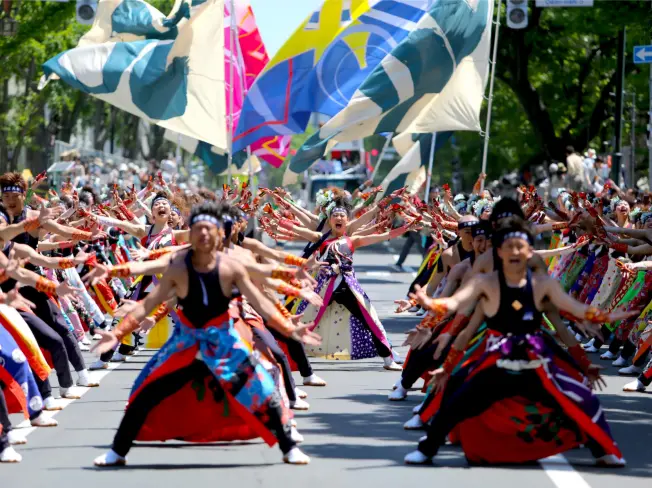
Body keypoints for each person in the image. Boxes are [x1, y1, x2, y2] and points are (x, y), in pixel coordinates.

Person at [91, 202, 320, 467]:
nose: (204, 235)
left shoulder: (230, 266)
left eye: (209, 229)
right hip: (186, 342)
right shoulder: (179, 265)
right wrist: (117, 332)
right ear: (190, 234)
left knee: (264, 391)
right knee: (145, 392)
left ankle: (289, 447)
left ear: (219, 234)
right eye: (198, 229)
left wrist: (290, 327)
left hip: (225, 341)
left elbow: (262, 300)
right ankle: (117, 452)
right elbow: (149, 302)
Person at [404, 218, 632, 467]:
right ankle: (427, 449)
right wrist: (444, 359)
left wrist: (590, 351)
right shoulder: (486, 284)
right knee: (456, 399)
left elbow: (573, 316)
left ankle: (600, 450)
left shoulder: (543, 286)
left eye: (520, 248)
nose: (514, 253)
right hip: (496, 361)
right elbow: (457, 313)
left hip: (534, 363)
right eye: (508, 248)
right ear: (499, 252)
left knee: (581, 400)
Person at [277, 197, 416, 369]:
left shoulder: (352, 240)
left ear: (347, 221)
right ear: (329, 220)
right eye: (335, 215)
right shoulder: (320, 238)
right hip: (323, 286)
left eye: (342, 215)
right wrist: (276, 217)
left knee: (370, 320)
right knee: (304, 320)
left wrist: (405, 228)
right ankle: (286, 356)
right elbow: (295, 228)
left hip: (348, 286)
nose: (339, 218)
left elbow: (383, 236)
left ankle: (388, 358)